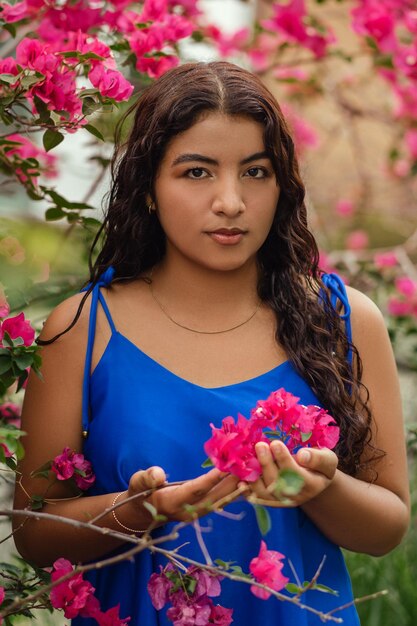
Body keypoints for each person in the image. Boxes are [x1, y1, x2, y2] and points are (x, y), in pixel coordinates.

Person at [13, 61, 409, 625]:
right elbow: (34, 535)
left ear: (283, 184)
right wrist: (143, 508)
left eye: (256, 171)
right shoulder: (82, 329)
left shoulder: (344, 321)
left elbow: (387, 527)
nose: (231, 201)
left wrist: (319, 488)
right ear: (148, 187)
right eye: (197, 173)